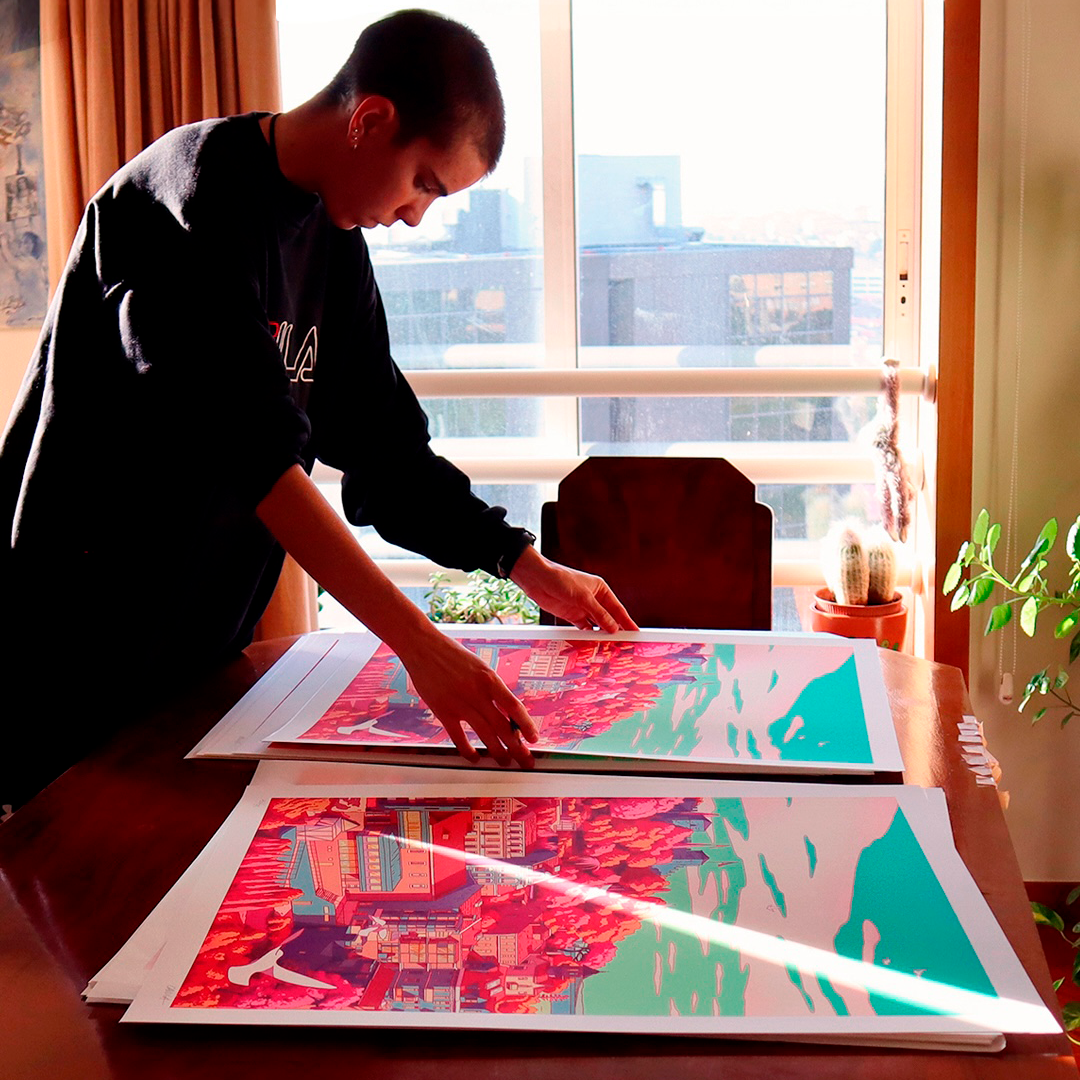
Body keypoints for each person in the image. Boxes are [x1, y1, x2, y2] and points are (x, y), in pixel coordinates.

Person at [0, 9, 636, 807]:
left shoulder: (334, 249)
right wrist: (419, 645)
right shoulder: (184, 199)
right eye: (424, 185)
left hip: (196, 654)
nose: (415, 216)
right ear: (370, 119)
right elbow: (256, 459)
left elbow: (388, 459)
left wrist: (523, 565)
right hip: (74, 648)